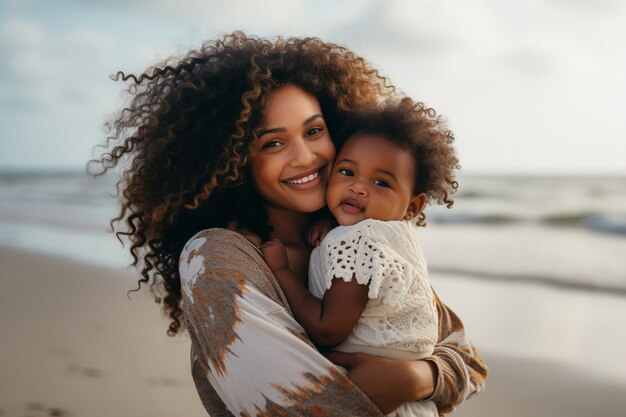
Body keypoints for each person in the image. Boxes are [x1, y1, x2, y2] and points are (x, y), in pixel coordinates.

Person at [91, 32, 488, 416]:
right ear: (232, 161)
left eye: (314, 131)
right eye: (273, 143)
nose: (305, 158)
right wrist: (414, 380)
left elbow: (467, 359)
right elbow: (296, 407)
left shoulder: (359, 239)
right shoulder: (218, 259)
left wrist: (416, 375)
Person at [261, 100, 458, 417]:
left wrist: (281, 271)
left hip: (373, 398)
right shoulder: (398, 237)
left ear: (412, 207)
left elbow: (328, 330)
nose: (357, 187)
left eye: (380, 182)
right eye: (346, 171)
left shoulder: (356, 240)